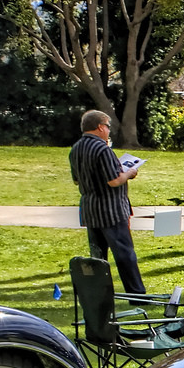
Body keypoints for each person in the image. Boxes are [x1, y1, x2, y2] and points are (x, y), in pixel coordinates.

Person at [70, 109, 146, 293]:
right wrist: (129, 173)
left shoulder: (75, 149)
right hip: (111, 210)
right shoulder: (102, 149)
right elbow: (113, 180)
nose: (109, 130)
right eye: (107, 126)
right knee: (124, 253)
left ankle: (99, 292)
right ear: (100, 127)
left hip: (90, 209)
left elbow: (76, 180)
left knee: (97, 256)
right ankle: (136, 293)